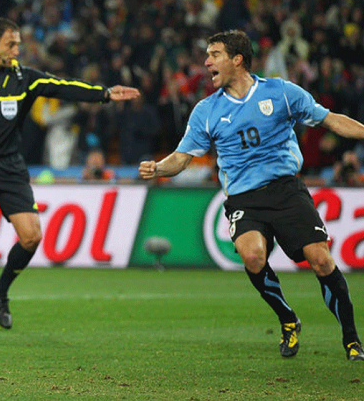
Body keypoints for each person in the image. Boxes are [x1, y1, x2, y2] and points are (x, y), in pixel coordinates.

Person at [139, 30, 364, 361]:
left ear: (237, 59)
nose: (207, 62)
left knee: (320, 260)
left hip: (286, 190)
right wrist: (158, 168)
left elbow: (330, 121)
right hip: (244, 199)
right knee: (252, 256)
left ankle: (351, 340)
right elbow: (182, 158)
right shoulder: (206, 110)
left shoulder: (281, 92)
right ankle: (288, 318)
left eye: (214, 54)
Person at [0, 17, 140, 332]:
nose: (17, 51)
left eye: (18, 44)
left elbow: (63, 87)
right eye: (11, 44)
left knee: (32, 236)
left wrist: (104, 94)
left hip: (9, 168)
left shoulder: (24, 79)